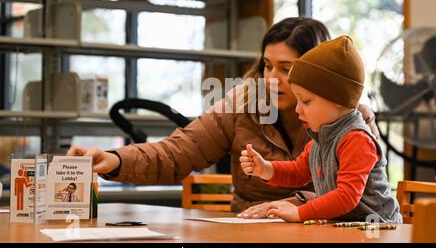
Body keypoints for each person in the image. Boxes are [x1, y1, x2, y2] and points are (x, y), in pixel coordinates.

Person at [67, 17, 379, 214]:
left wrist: (299, 202)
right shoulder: (241, 104)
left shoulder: (352, 123)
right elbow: (179, 152)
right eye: (267, 66)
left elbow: (354, 197)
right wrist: (115, 159)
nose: (271, 78)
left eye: (287, 69)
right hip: (249, 239)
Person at [240, 36, 402, 223]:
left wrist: (299, 212)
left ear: (338, 100)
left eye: (306, 101)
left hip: (379, 230)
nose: (297, 109)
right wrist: (265, 169)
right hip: (347, 229)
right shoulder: (320, 139)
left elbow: (346, 196)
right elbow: (298, 172)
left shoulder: (357, 139)